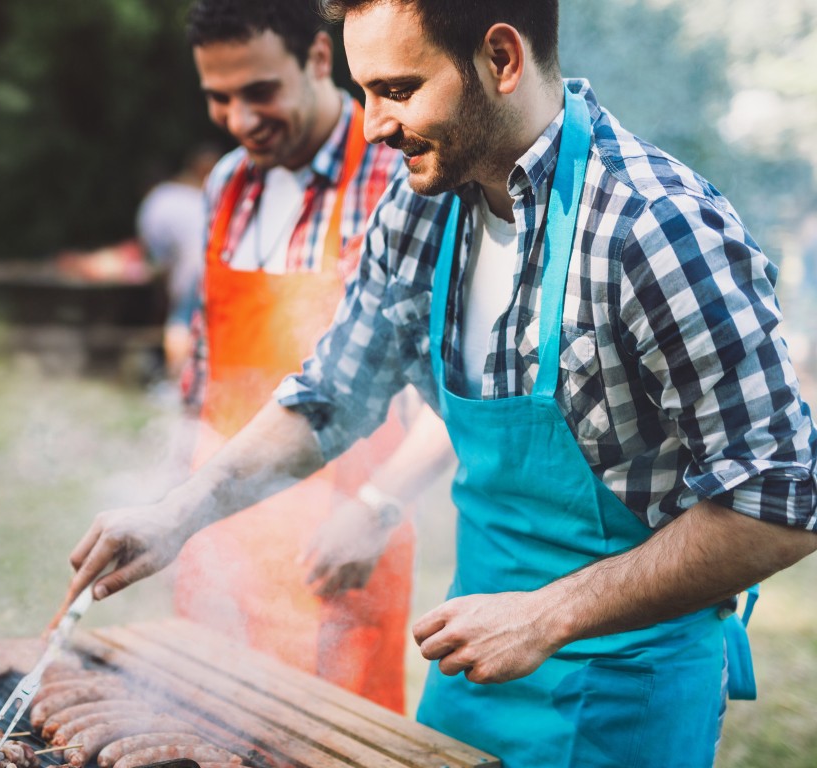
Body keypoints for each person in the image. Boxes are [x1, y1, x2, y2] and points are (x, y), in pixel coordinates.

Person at [61, 0, 817, 765]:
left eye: (396, 89)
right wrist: (177, 513)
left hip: (628, 685)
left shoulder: (655, 228)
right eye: (363, 92)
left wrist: (544, 619)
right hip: (473, 664)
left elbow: (779, 505)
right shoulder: (421, 206)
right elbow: (332, 394)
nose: (371, 127)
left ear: (501, 59)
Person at [150, 0, 446, 714]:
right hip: (220, 533)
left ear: (319, 59)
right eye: (219, 98)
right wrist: (169, 506)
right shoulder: (226, 185)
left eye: (260, 91)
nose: (240, 119)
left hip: (337, 541)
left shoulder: (395, 175)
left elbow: (449, 392)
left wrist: (378, 507)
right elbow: (204, 370)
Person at [136, 144, 223, 379]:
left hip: (193, 269)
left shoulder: (162, 198)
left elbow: (155, 250)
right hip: (219, 264)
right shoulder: (207, 197)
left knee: (181, 323)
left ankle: (177, 381)